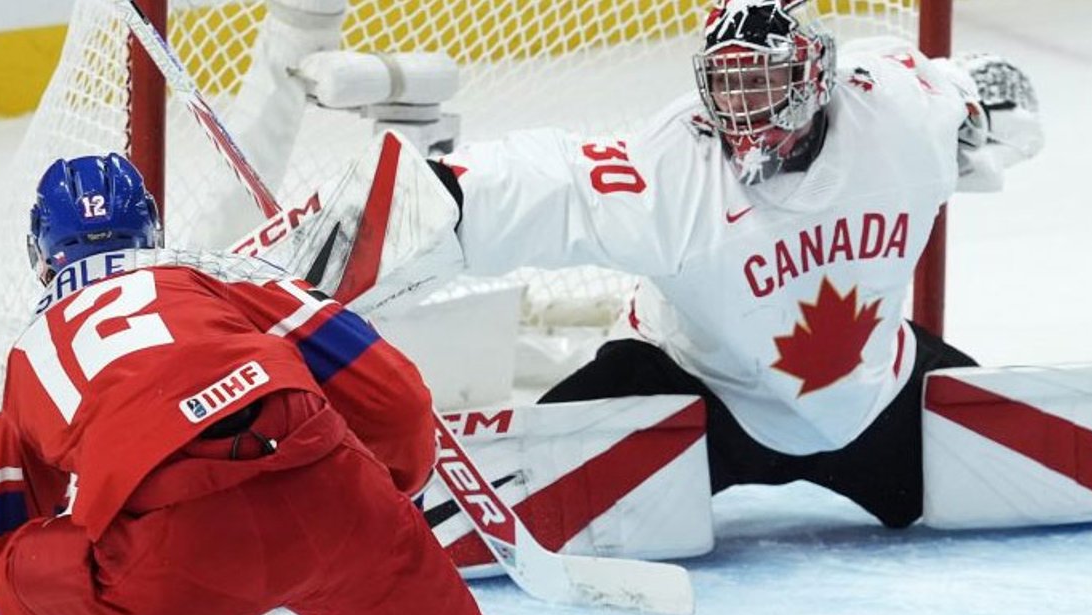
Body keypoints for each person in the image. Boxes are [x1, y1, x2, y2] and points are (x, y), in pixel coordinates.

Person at [431, 0, 1042, 529]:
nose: (743, 108)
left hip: (872, 398)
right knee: (522, 482)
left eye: (763, 80)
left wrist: (991, 112)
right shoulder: (673, 165)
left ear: (812, 72)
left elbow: (980, 101)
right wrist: (441, 195)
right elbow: (557, 182)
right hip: (695, 397)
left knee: (1025, 484)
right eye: (729, 83)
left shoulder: (901, 111)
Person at [0, 153, 489, 615]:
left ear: (39, 252)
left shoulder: (29, 355)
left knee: (14, 575)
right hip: (334, 499)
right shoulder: (223, 279)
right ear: (151, 232)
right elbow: (396, 400)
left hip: (177, 566)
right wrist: (388, 503)